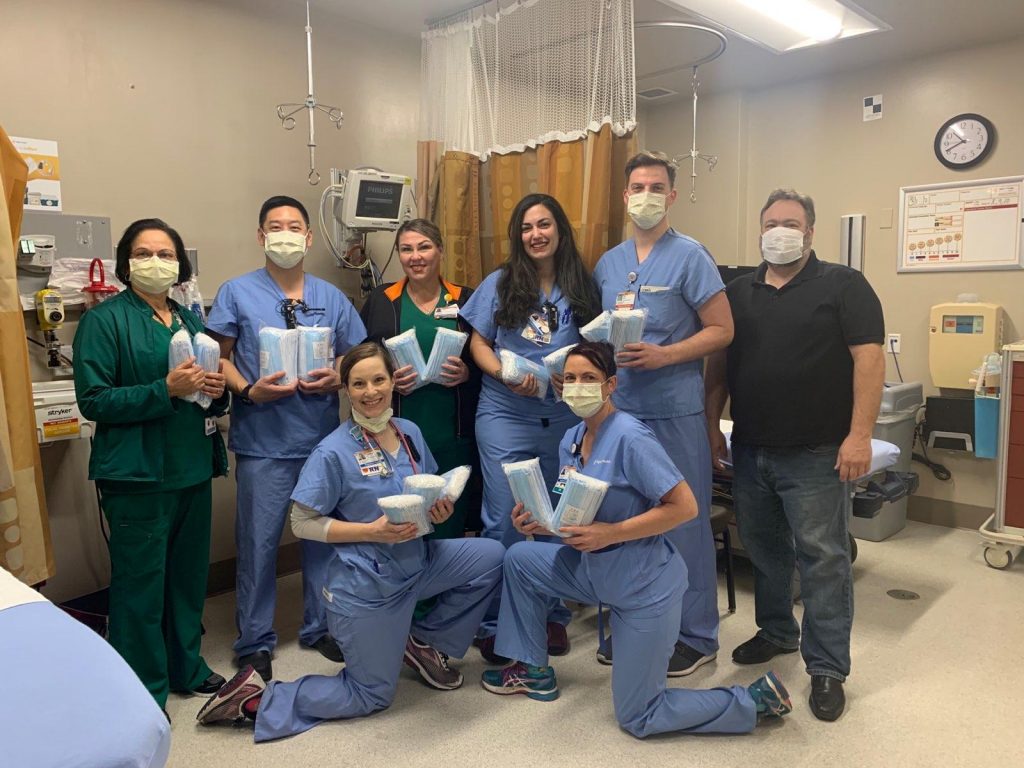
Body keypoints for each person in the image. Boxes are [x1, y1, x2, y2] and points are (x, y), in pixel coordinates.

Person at [480, 341, 791, 737]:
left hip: (645, 585)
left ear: (611, 385)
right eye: (570, 378)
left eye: (589, 378)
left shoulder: (631, 436)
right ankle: (533, 670)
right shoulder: (571, 438)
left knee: (639, 715)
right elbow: (580, 513)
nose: (578, 386)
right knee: (520, 560)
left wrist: (611, 533)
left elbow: (685, 508)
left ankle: (753, 700)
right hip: (596, 570)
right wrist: (538, 523)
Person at [196, 343, 505, 741]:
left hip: (418, 561)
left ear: (394, 382)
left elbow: (423, 495)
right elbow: (302, 522)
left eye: (379, 380)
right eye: (358, 384)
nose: (370, 391)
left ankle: (425, 641)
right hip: (367, 585)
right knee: (371, 694)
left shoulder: (408, 433)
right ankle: (257, 699)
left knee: (493, 555)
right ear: (345, 389)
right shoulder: (333, 451)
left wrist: (437, 511)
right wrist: (370, 531)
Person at [705, 188, 885, 722]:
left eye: (791, 222)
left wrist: (860, 437)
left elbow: (869, 362)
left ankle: (827, 668)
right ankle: (778, 631)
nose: (779, 231)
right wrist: (711, 424)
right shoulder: (737, 292)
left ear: (810, 231)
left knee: (823, 559)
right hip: (752, 447)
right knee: (764, 551)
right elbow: (718, 364)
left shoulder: (844, 285)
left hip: (817, 451)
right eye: (770, 223)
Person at [206, 195, 366, 681]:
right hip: (264, 441)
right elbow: (219, 356)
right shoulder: (236, 292)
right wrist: (246, 390)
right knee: (258, 543)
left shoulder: (331, 297)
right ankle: (254, 639)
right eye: (275, 226)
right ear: (260, 236)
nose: (285, 234)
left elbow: (354, 354)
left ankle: (321, 627)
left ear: (309, 237)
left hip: (321, 440)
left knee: (321, 539)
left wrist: (337, 376)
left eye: (294, 226)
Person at [73, 218, 229, 711]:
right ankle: (142, 689)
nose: (156, 263)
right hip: (137, 476)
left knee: (186, 580)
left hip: (191, 467)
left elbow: (204, 392)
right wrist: (164, 390)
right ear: (125, 263)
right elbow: (94, 400)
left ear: (180, 265)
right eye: (144, 253)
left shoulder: (188, 320)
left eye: (166, 254)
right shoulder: (106, 321)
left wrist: (215, 393)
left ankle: (187, 666)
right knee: (140, 588)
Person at [591, 151, 733, 676]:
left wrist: (665, 355)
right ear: (624, 196)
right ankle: (627, 625)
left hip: (672, 411)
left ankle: (695, 636)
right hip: (619, 413)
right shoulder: (609, 263)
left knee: (682, 524)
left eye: (655, 186)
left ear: (671, 196)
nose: (644, 195)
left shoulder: (691, 257)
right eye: (636, 186)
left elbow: (723, 330)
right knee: (622, 519)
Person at [459, 193, 602, 661]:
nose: (536, 234)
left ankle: (553, 614)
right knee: (505, 518)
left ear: (560, 230)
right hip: (505, 415)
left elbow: (598, 346)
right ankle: (497, 621)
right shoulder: (501, 282)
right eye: (526, 227)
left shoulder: (582, 285)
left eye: (544, 224)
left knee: (558, 517)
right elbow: (477, 343)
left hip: (564, 418)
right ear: (517, 236)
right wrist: (502, 372)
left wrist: (576, 374)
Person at [360, 218, 482, 539]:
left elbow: (486, 356)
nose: (416, 256)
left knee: (447, 523)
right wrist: (386, 379)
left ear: (440, 251)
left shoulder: (466, 300)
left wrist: (468, 372)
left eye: (424, 247)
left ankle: (446, 588)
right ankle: (411, 590)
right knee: (405, 525)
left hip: (452, 435)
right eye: (406, 249)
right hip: (396, 438)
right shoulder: (381, 301)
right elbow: (360, 359)